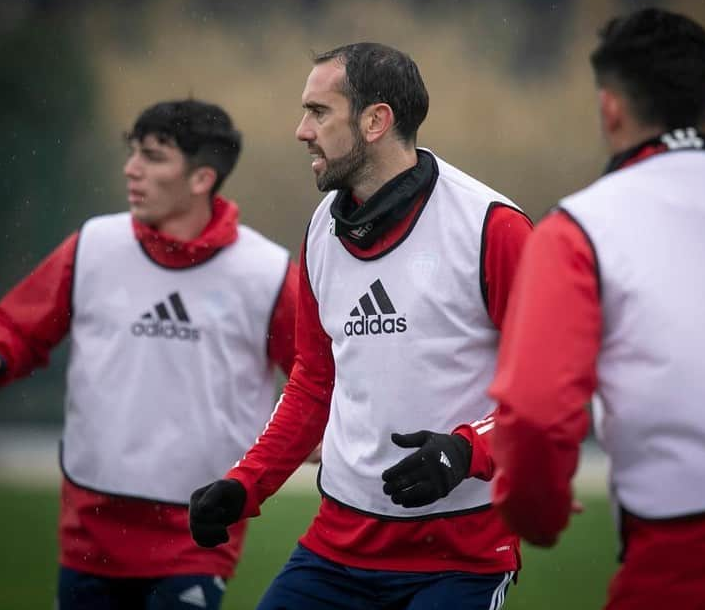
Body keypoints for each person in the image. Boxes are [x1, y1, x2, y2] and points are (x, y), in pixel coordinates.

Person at [188, 43, 533, 609]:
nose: (302, 131)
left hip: (461, 559)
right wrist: (244, 483)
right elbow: (312, 384)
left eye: (319, 112)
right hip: (337, 551)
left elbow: (547, 392)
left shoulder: (493, 228)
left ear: (376, 121)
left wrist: (465, 452)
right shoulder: (322, 228)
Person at [488, 7, 705, 609]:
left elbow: (539, 412)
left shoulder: (578, 228)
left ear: (610, 109)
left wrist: (534, 513)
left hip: (688, 551)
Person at [0, 99, 298, 609]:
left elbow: (318, 371)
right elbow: (20, 325)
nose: (131, 169)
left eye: (152, 156)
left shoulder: (267, 271)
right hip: (89, 527)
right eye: (132, 153)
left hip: (198, 530)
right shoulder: (94, 245)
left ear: (201, 178)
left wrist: (317, 428)